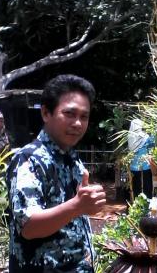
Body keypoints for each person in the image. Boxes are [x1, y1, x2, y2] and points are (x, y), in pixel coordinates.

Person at [7, 74, 106, 273]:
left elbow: (72, 213)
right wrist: (77, 206)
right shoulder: (29, 160)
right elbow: (29, 227)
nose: (78, 123)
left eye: (84, 116)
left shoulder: (71, 157)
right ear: (46, 113)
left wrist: (85, 205)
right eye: (70, 114)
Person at [128, 118, 154, 199]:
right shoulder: (145, 136)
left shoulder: (130, 136)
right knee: (147, 186)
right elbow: (153, 143)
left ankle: (136, 203)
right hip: (146, 165)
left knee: (136, 186)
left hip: (134, 166)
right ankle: (147, 203)